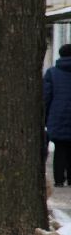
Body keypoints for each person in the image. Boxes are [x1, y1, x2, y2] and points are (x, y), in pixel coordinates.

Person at [44, 44, 71, 186]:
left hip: (58, 117)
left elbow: (46, 96)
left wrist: (45, 117)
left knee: (59, 149)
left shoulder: (52, 73)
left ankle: (59, 180)